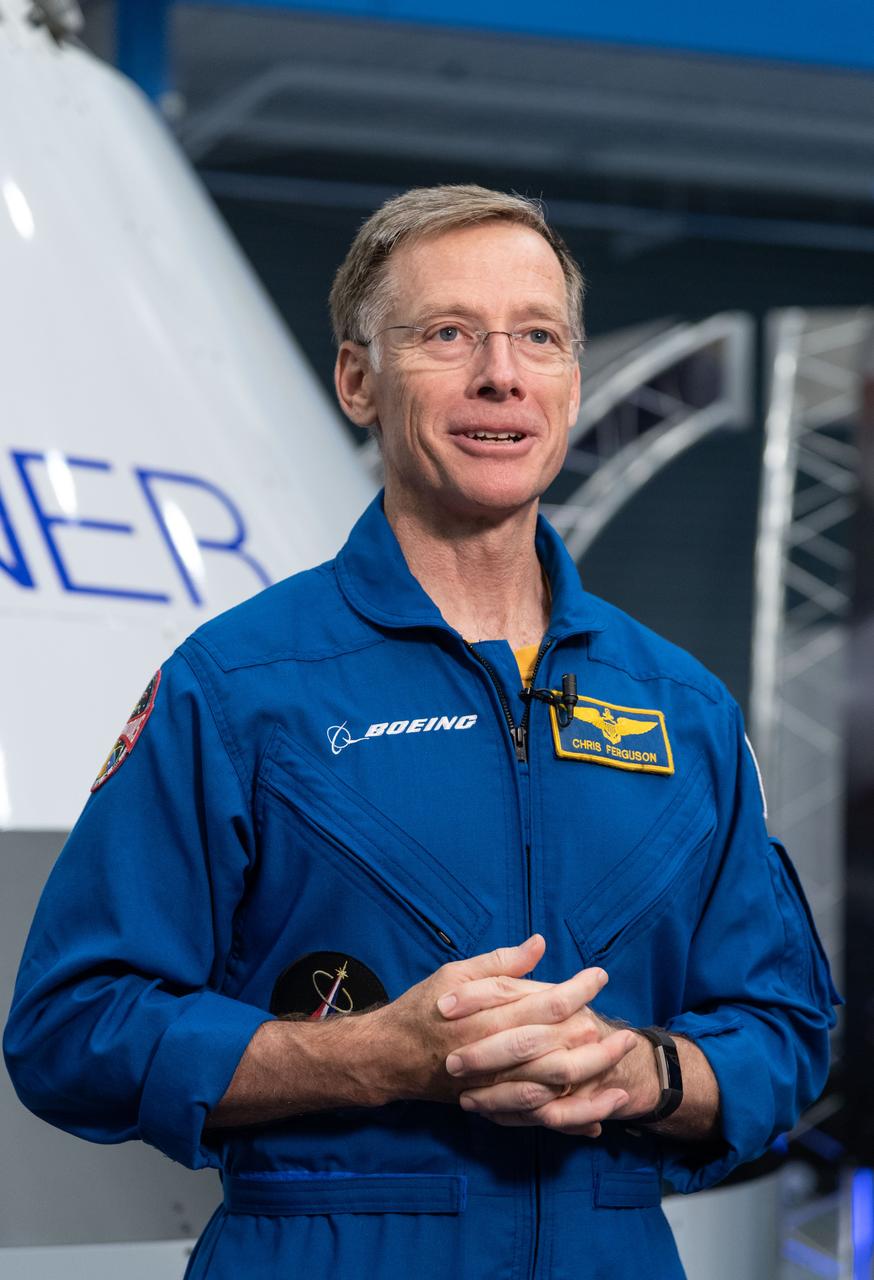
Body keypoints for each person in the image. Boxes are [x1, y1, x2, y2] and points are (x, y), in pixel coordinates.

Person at [4, 185, 838, 1279]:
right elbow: (73, 1027)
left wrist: (644, 1072)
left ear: (571, 383)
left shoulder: (682, 707)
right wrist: (375, 1057)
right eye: (448, 334)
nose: (502, 373)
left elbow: (785, 1027)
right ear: (359, 379)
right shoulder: (242, 685)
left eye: (536, 336)